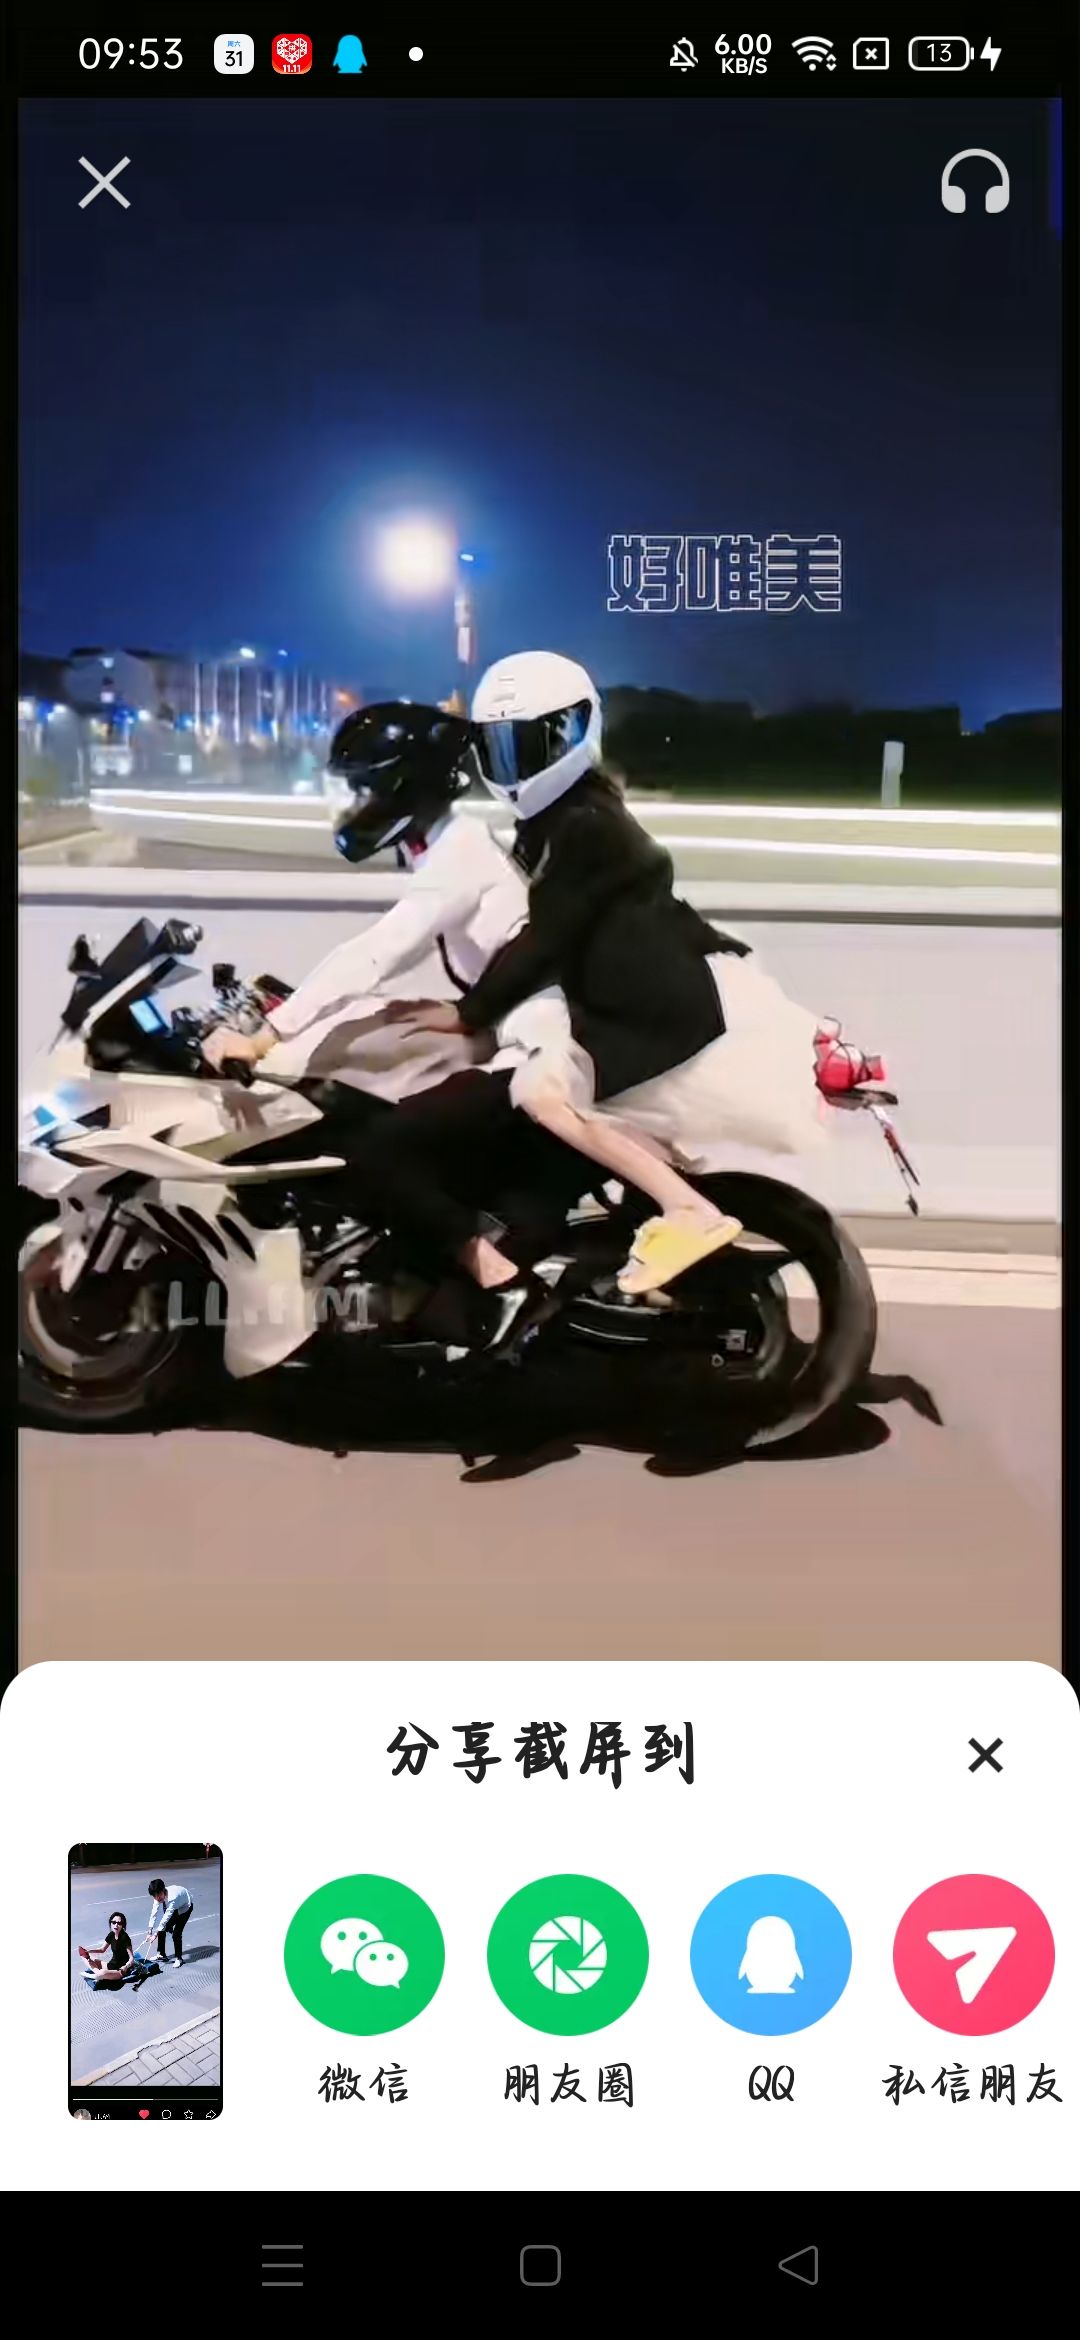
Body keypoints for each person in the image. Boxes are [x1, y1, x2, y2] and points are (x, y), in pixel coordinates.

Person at [401, 651, 826, 1294]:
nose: (517, 767)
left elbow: (547, 937)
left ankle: (689, 1209)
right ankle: (648, 1201)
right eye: (503, 749)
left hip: (641, 1004)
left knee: (540, 1093)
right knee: (549, 1093)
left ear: (578, 731)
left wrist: (469, 1013)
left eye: (532, 746)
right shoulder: (566, 817)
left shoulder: (584, 825)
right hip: (634, 995)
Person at [202, 702, 576, 1313]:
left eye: (364, 786)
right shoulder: (449, 846)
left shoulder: (461, 855)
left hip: (538, 1051)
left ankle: (498, 1279)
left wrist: (267, 1035)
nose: (356, 801)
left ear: (405, 784)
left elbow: (379, 951)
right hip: (517, 1034)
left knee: (375, 1150)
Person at [145, 1877, 193, 1967]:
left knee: (176, 1933)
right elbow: (154, 1913)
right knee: (162, 1928)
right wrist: (149, 1931)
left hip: (185, 1907)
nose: (157, 1898)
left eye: (159, 1894)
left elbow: (165, 1918)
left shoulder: (173, 1898)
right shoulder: (157, 1895)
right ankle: (161, 1954)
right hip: (177, 1906)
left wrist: (155, 1934)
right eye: (155, 1896)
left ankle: (179, 1959)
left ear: (163, 1890)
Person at [80, 1911, 135, 1988]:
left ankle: (97, 1974)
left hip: (120, 1970)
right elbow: (102, 1949)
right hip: (111, 1965)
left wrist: (126, 1967)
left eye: (119, 1923)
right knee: (84, 1956)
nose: (116, 1925)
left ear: (123, 1925)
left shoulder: (125, 1938)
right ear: (110, 1923)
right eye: (114, 1922)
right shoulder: (111, 1934)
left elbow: (131, 1958)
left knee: (102, 1972)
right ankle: (97, 1974)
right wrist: (89, 1951)